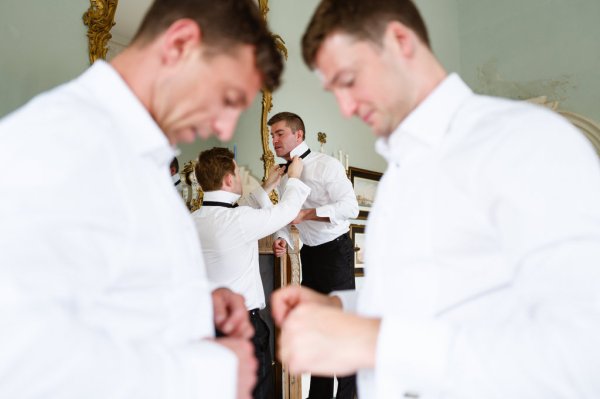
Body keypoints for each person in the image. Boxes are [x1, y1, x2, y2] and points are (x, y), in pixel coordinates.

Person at [271, 0, 600, 398]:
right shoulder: (402, 175)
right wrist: (343, 311)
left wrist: (375, 341)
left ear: (400, 41)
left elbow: (581, 353)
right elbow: (442, 302)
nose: (345, 106)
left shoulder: (527, 143)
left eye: (348, 79)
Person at [0, 0, 283, 398]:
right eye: (229, 98)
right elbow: (17, 359)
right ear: (180, 43)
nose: (222, 126)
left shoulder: (139, 158)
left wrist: (190, 302)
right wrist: (207, 376)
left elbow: (101, 293)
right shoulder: (59, 144)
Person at [192, 147, 310, 399]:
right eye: (237, 172)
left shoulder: (193, 220)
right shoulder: (237, 220)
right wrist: (296, 177)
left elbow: (243, 207)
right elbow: (284, 212)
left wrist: (266, 186)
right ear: (228, 180)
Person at [268, 111, 359, 399]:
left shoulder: (326, 165)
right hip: (311, 255)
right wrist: (281, 239)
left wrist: (308, 213)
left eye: (280, 133)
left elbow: (351, 208)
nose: (274, 141)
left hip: (336, 253)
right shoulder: (285, 175)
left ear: (299, 134)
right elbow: (286, 216)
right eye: (271, 136)